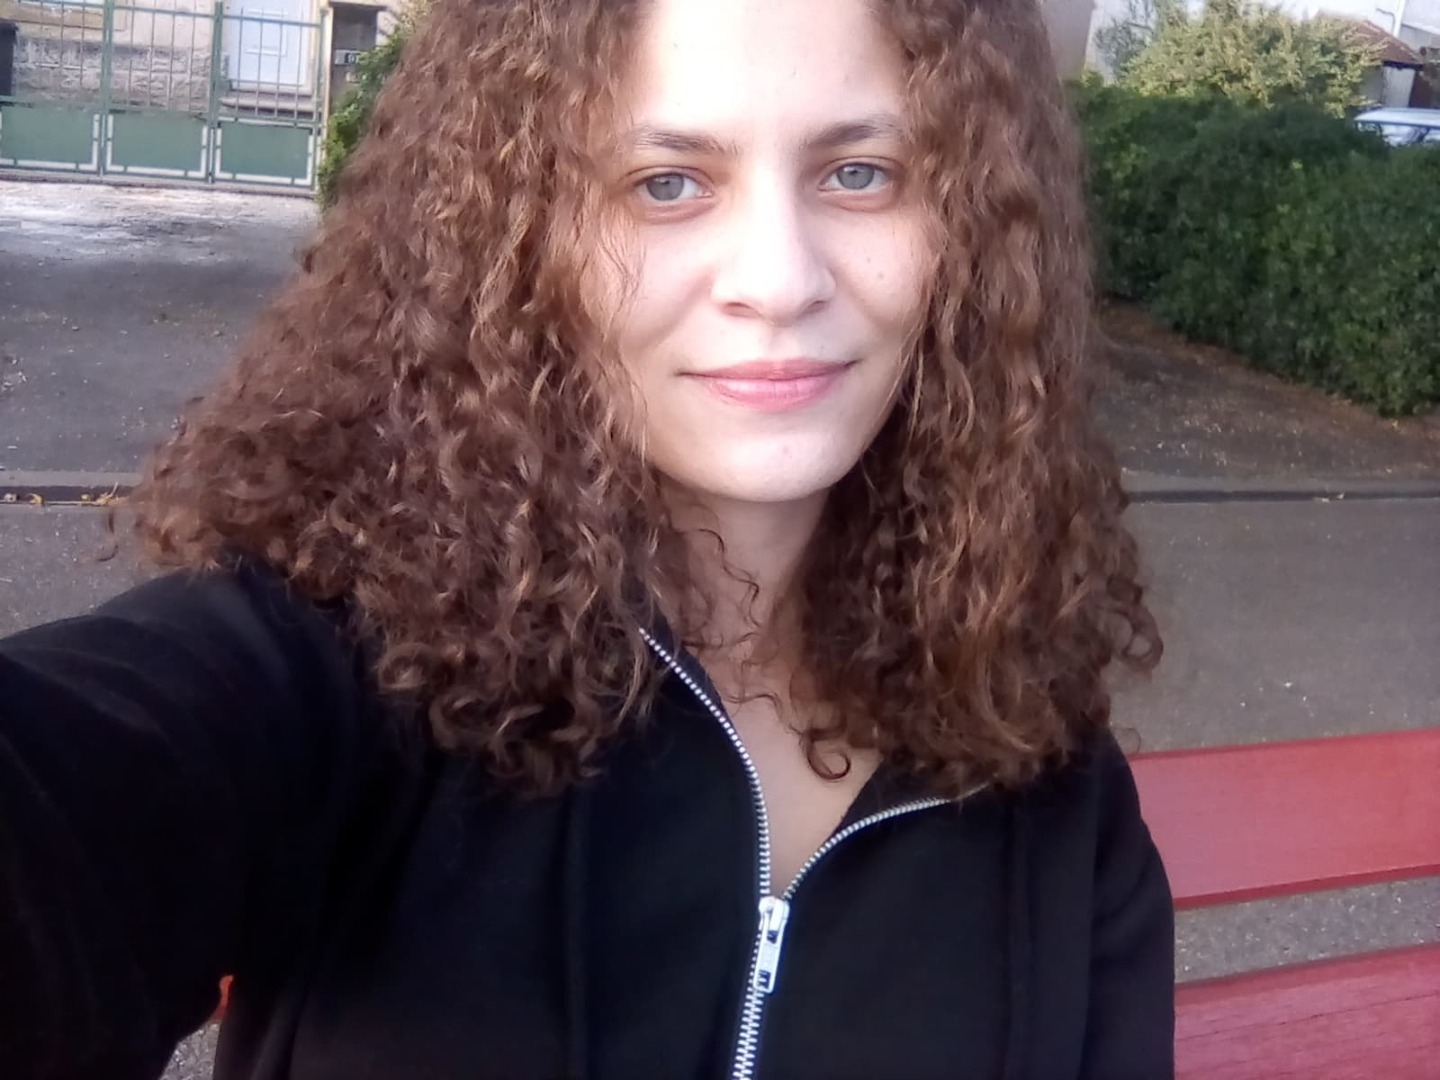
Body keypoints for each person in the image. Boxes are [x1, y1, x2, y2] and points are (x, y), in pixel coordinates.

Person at [0, 0, 1174, 1076]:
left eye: (860, 173)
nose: (778, 280)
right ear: (511, 238)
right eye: (666, 183)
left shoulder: (1044, 768)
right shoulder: (347, 664)